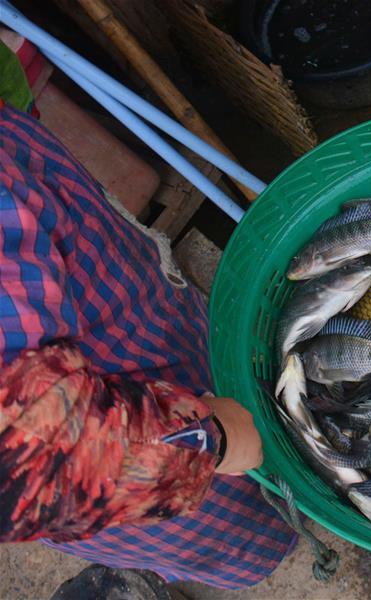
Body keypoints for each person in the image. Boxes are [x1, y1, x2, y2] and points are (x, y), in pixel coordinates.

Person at [0, 98, 296, 588]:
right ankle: (284, 533)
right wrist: (208, 441)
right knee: (254, 514)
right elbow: (36, 458)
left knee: (271, 418)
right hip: (150, 462)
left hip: (152, 332)